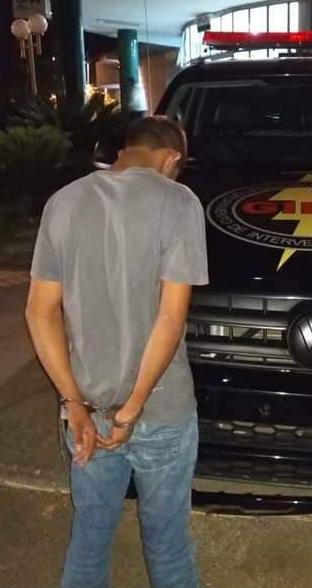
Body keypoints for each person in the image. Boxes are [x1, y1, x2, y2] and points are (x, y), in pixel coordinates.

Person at [25, 115, 208, 588]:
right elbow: (170, 319)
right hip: (161, 409)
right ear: (171, 158)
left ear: (124, 151)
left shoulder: (63, 202)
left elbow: (40, 313)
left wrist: (73, 403)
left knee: (89, 535)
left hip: (87, 412)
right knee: (167, 543)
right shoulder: (179, 201)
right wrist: (131, 410)